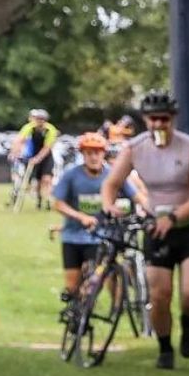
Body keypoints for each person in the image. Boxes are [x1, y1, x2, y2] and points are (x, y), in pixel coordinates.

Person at [102, 91, 189, 369]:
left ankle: (188, 324)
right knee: (159, 294)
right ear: (145, 120)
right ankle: (165, 349)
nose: (159, 124)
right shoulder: (134, 148)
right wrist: (108, 204)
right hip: (155, 226)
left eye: (164, 119)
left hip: (188, 226)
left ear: (173, 119)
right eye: (153, 119)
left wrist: (174, 217)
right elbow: (111, 182)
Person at [52, 131, 138, 310]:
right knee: (72, 287)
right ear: (82, 154)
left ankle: (115, 306)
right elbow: (58, 204)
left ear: (103, 153)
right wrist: (81, 217)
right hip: (73, 236)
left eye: (97, 152)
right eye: (89, 152)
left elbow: (136, 195)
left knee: (102, 276)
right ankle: (76, 309)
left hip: (101, 237)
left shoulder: (113, 175)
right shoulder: (71, 175)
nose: (93, 157)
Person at [8, 108, 59, 209]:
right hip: (32, 156)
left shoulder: (50, 130)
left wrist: (38, 158)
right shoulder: (29, 127)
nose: (40, 121)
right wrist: (14, 152)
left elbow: (47, 148)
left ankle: (47, 200)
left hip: (46, 157)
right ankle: (39, 201)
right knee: (36, 181)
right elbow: (19, 140)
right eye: (38, 119)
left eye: (42, 119)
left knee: (46, 179)